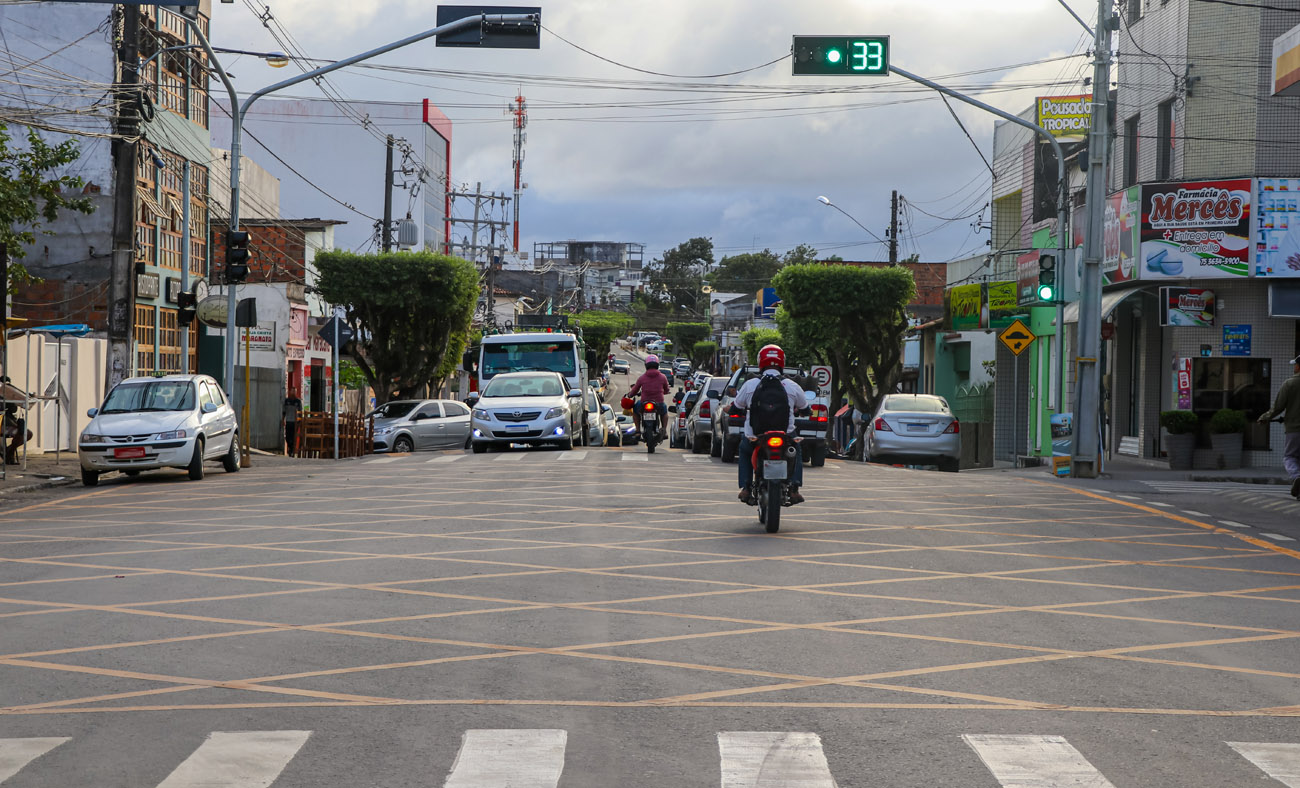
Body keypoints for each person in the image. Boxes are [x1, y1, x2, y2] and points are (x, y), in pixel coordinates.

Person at [733, 344, 808, 504]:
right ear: (782, 362)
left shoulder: (750, 384)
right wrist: (801, 411)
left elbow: (736, 406)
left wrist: (730, 409)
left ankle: (746, 488)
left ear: (761, 362)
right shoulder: (792, 386)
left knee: (744, 450)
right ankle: (794, 489)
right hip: (786, 435)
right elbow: (805, 409)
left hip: (755, 436)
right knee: (796, 451)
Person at [1258, 354, 1300, 499]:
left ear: (1299, 366)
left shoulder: (1290, 383)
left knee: (1290, 456)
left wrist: (1265, 418)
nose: (1294, 367)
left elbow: (1278, 407)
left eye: (1295, 364)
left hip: (1294, 429)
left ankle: (1296, 477)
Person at [627, 354, 670, 436]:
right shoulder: (663, 377)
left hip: (644, 402)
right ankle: (664, 430)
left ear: (646, 365)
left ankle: (638, 430)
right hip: (659, 402)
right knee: (664, 412)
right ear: (657, 365)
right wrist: (666, 392)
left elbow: (635, 390)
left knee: (635, 411)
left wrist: (630, 395)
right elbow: (667, 389)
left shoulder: (642, 378)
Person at [1, 376, 33, 466]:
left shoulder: (10, 394)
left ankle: (9, 451)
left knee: (26, 433)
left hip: (9, 422)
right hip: (2, 423)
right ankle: (9, 453)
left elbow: (14, 410)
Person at [282, 386, 303, 457]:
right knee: (288, 437)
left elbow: (300, 413)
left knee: (293, 437)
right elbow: (284, 411)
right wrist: (283, 420)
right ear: (290, 392)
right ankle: (290, 448)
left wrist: (299, 421)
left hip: (295, 422)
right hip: (288, 421)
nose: (293, 392)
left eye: (295, 391)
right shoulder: (287, 401)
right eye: (292, 391)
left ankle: (292, 451)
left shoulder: (298, 401)